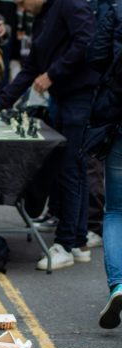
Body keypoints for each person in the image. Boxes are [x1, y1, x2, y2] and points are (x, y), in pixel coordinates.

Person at [0, 0, 99, 270]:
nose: (21, 6)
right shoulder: (44, 15)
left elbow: (86, 43)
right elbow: (31, 67)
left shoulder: (70, 5)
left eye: (23, 1)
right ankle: (77, 241)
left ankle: (67, 244)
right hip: (63, 98)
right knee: (72, 169)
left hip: (79, 98)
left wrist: (52, 74)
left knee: (71, 168)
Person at [87, 0, 122, 329]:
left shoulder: (115, 8)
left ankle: (119, 285)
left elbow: (96, 55)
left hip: (119, 119)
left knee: (116, 211)